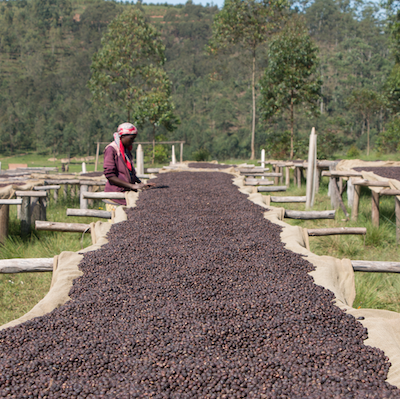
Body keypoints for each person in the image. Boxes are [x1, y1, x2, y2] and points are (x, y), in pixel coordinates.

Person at [103, 122, 154, 206]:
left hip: (125, 193)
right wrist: (132, 186)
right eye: (131, 138)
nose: (132, 142)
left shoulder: (126, 151)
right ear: (122, 136)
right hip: (115, 195)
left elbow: (130, 173)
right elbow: (110, 175)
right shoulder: (111, 149)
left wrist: (140, 183)